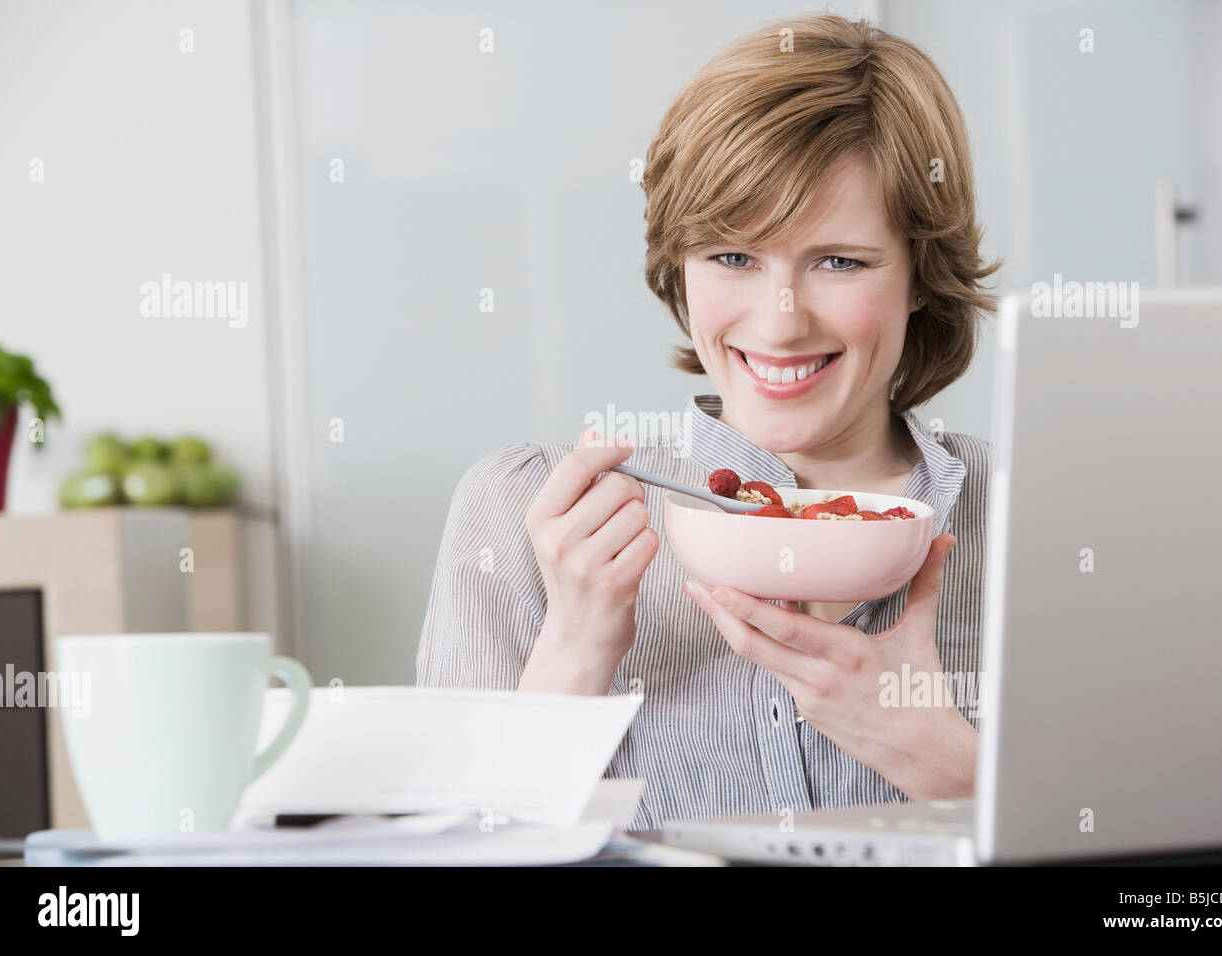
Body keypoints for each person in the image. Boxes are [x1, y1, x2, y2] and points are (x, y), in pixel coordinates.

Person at [416, 13, 1000, 831]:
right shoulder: (524, 517)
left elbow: (1153, 893)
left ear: (918, 277)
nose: (781, 321)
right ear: (680, 272)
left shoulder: (1027, 520)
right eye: (732, 257)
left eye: (839, 261)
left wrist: (932, 754)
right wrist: (575, 649)